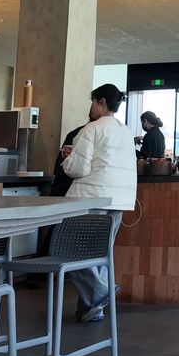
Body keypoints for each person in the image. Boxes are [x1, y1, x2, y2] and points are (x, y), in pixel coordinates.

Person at [61, 84, 137, 322]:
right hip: (120, 200)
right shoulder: (126, 131)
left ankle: (101, 293)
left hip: (91, 195)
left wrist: (68, 158)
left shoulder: (91, 129)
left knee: (69, 250)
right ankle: (92, 310)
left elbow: (77, 169)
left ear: (101, 102)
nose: (91, 107)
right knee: (100, 254)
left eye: (92, 101)